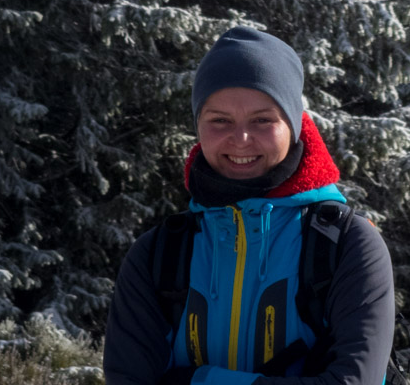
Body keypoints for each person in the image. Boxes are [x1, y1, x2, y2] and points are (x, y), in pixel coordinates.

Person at [104, 26, 395, 385]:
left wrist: (200, 380)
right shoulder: (160, 254)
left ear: (293, 125)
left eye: (262, 120)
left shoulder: (345, 245)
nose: (241, 140)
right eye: (220, 120)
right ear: (198, 126)